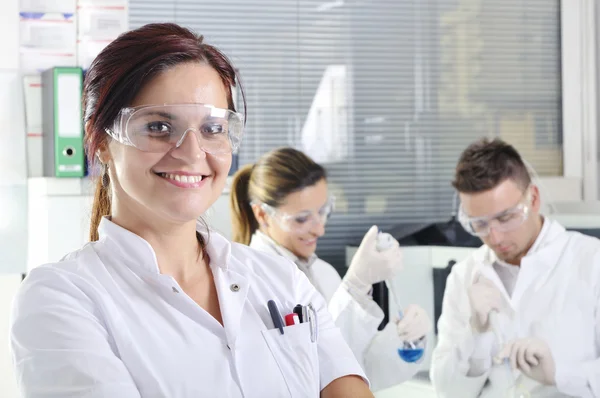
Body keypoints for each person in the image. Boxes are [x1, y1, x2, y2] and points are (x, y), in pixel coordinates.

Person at [9, 23, 374, 398]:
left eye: (212, 128)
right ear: (101, 141)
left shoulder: (281, 278)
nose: (192, 152)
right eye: (159, 126)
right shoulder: (61, 298)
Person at [229, 146, 432, 392]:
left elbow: (359, 370)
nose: (319, 229)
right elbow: (310, 375)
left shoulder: (323, 272)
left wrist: (405, 340)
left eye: (323, 211)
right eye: (302, 219)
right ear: (262, 214)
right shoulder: (246, 284)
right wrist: (355, 288)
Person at [430, 138, 600, 397]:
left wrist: (560, 374)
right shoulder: (464, 275)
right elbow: (447, 391)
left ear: (533, 199)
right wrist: (475, 334)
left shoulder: (591, 261)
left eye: (506, 218)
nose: (495, 237)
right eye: (479, 224)